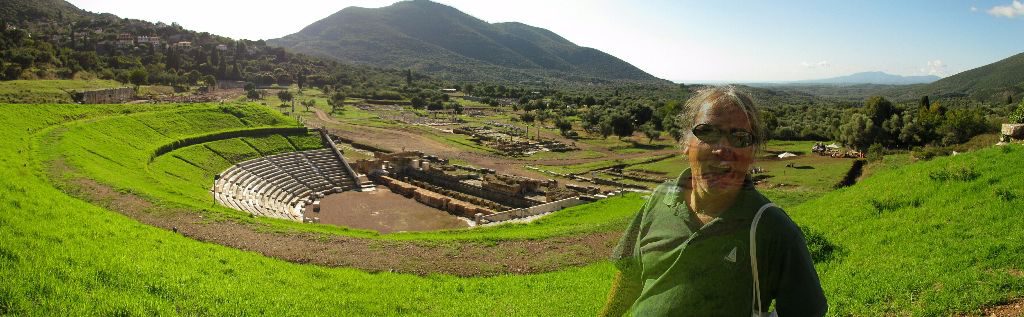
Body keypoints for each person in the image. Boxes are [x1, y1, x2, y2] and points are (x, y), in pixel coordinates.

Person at [600, 87, 827, 316]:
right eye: (707, 132)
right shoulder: (659, 199)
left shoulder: (771, 227)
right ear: (686, 142)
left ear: (752, 151)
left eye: (740, 137)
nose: (722, 149)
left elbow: (809, 309)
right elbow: (629, 276)